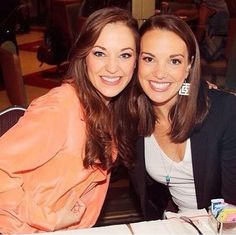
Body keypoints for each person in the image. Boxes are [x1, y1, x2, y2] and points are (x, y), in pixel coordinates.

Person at [0, 7, 139, 233]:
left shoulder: (113, 106)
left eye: (124, 54)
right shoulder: (60, 108)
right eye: (99, 53)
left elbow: (164, 86)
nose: (113, 68)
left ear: (136, 61)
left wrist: (194, 89)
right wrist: (50, 218)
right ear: (84, 57)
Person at [128, 14, 236, 220]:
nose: (160, 73)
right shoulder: (130, 118)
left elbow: (232, 206)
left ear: (188, 66)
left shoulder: (225, 113)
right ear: (136, 62)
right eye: (149, 59)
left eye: (174, 61)